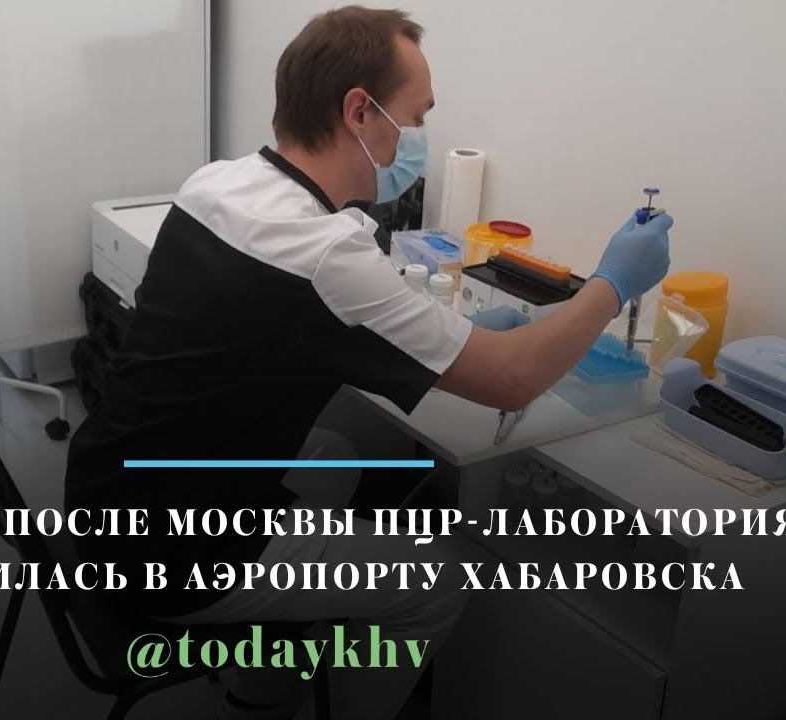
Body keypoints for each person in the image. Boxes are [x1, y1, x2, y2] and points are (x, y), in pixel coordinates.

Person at [65, 6, 672, 718]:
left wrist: (452, 333)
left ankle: (259, 693)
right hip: (168, 559)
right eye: (415, 117)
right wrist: (613, 284)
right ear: (359, 112)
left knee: (335, 456)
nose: (416, 138)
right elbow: (512, 379)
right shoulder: (327, 255)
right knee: (439, 582)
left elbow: (294, 325)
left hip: (102, 490)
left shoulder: (215, 185)